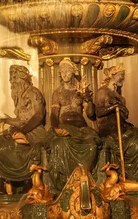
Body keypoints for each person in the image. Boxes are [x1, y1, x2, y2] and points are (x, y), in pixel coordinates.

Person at [0, 64, 49, 195]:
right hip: (24, 130)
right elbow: (21, 119)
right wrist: (7, 121)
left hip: (36, 132)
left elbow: (38, 115)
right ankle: (0, 185)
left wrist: (22, 131)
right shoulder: (20, 98)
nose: (12, 81)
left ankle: (25, 182)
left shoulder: (33, 92)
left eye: (15, 77)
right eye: (11, 78)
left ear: (23, 78)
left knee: (8, 146)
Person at [95, 63, 138, 189]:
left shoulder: (120, 97)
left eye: (123, 77)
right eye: (121, 76)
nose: (122, 79)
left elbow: (124, 115)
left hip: (123, 127)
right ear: (113, 76)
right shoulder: (103, 91)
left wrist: (123, 110)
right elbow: (98, 112)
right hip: (110, 130)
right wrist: (115, 107)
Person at [47, 58, 101, 192]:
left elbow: (90, 115)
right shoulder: (57, 93)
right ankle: (65, 182)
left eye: (67, 71)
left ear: (73, 72)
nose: (64, 74)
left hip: (81, 128)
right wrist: (56, 128)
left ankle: (84, 177)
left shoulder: (80, 91)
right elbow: (54, 115)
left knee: (92, 144)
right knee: (59, 144)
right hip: (64, 126)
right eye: (62, 71)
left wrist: (87, 98)